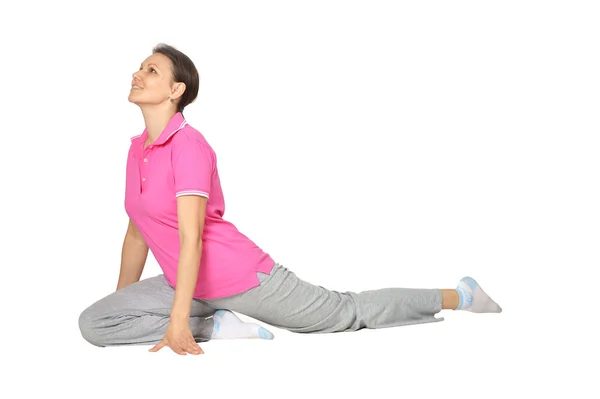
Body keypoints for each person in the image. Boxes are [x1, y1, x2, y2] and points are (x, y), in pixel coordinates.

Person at [78, 43, 502, 356]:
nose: (137, 74)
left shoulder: (188, 146)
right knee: (95, 323)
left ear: (176, 90)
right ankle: (214, 326)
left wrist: (174, 322)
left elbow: (192, 241)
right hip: (183, 281)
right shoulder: (139, 149)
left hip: (238, 274)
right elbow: (138, 235)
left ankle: (459, 295)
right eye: (138, 68)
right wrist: (122, 306)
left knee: (343, 313)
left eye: (150, 70)